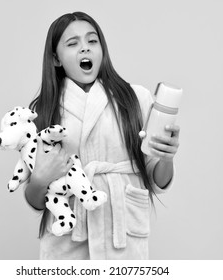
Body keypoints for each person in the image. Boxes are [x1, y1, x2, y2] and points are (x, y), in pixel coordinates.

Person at [23, 11, 180, 260]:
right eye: (73, 44)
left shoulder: (135, 98)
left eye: (92, 41)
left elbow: (157, 180)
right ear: (56, 59)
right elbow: (36, 201)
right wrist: (40, 180)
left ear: (102, 50)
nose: (85, 49)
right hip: (68, 239)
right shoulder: (41, 111)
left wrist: (167, 157)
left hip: (123, 238)